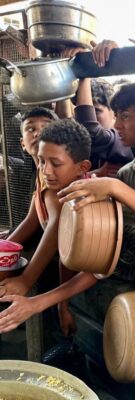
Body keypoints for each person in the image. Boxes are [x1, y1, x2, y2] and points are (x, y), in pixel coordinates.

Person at [0, 81, 135, 333]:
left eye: (125, 116)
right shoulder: (125, 174)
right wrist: (45, 302)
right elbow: (103, 262)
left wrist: (114, 187)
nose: (117, 124)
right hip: (132, 270)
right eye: (116, 116)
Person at [0, 119, 91, 297]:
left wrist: (26, 280)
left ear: (82, 168)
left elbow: (56, 226)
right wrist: (4, 249)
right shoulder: (46, 177)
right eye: (41, 161)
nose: (46, 170)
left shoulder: (78, 197)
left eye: (55, 164)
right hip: (61, 263)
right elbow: (32, 219)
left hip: (81, 276)